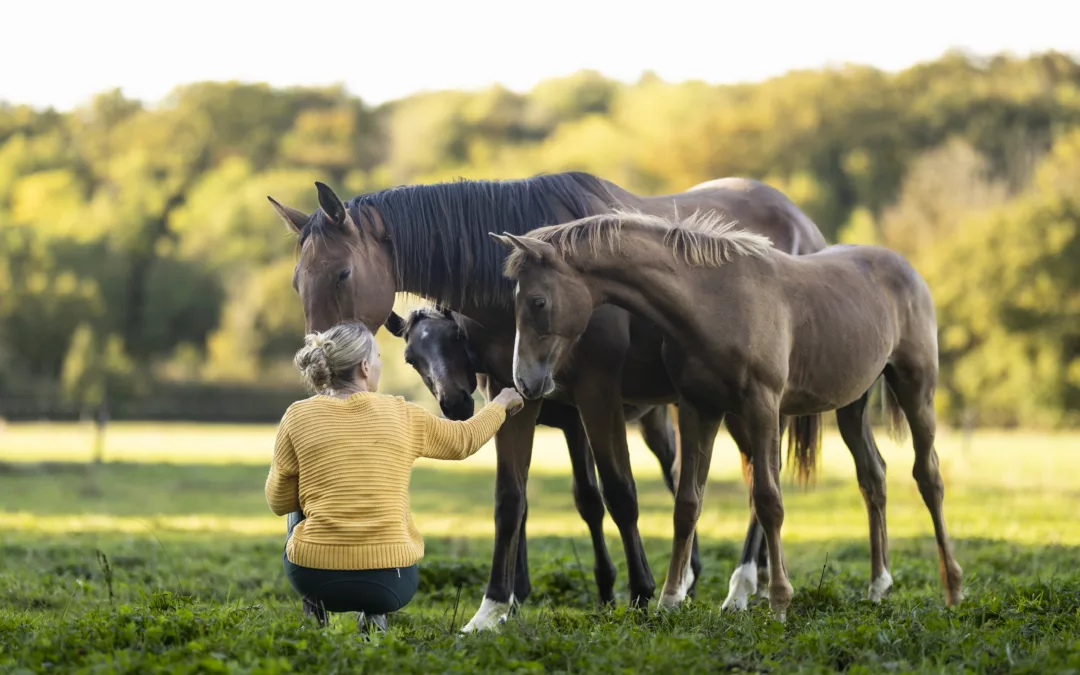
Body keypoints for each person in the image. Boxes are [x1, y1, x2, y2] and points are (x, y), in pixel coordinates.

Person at [265, 321, 523, 634]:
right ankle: (375, 620)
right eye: (377, 358)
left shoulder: (297, 415)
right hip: (392, 583)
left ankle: (315, 621)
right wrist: (500, 402)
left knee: (297, 504)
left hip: (316, 579)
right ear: (363, 367)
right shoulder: (403, 413)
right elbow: (463, 441)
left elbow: (278, 502)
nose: (379, 364)